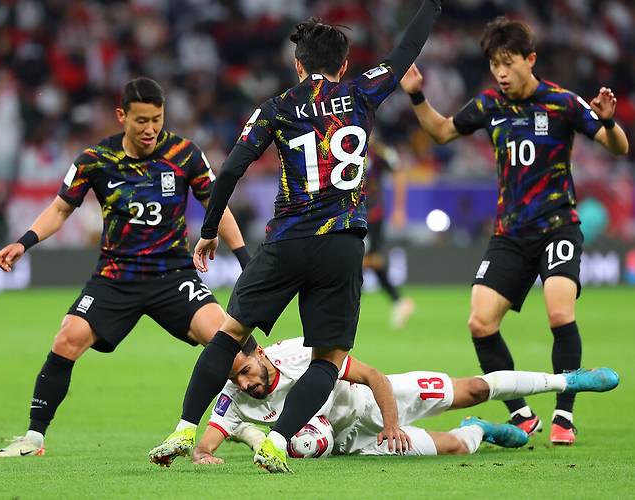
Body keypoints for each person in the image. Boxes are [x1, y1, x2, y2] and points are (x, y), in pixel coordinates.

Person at [185, 1, 442, 473]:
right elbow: (407, 50)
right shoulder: (363, 90)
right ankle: (279, 442)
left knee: (230, 334)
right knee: (329, 360)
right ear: (343, 65)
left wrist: (207, 231)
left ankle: (185, 429)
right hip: (343, 244)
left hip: (287, 240)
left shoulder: (276, 107)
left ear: (297, 64)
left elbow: (231, 170)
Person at [0, 77, 252, 458]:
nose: (150, 129)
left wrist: (246, 260)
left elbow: (217, 205)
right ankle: (34, 438)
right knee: (67, 338)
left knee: (230, 347)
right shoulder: (95, 160)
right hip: (116, 277)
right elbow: (62, 208)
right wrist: (24, 241)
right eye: (141, 120)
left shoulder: (184, 154)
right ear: (122, 116)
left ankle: (251, 425)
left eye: (157, 120)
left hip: (173, 276)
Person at [399, 17, 629, 445]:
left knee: (559, 310)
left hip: (558, 225)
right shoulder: (489, 105)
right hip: (510, 233)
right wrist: (416, 96)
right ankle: (521, 413)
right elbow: (443, 131)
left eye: (508, 63)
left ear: (530, 60)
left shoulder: (562, 102)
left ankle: (564, 414)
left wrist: (611, 123)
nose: (501, 73)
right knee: (479, 322)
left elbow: (617, 146)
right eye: (494, 64)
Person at [187, 336, 618, 464]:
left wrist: (392, 424)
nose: (244, 384)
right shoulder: (236, 396)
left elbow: (373, 376)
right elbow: (208, 440)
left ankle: (566, 380)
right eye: (235, 379)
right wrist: (203, 455)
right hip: (351, 442)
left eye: (245, 371)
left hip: (374, 402)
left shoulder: (302, 354)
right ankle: (481, 430)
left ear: (260, 354)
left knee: (475, 389)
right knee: (452, 445)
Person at [363, 139, 415, 328]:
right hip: (350, 214)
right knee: (371, 260)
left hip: (372, 215)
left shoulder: (378, 151)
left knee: (367, 259)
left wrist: (400, 209)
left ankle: (398, 300)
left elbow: (399, 172)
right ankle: (399, 301)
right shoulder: (344, 143)